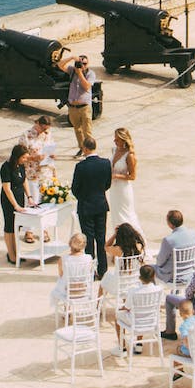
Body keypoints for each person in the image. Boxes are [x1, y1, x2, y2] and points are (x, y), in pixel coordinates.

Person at [69, 133, 113, 279]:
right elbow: (107, 184)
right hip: (100, 204)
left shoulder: (81, 166)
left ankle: (90, 270)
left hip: (86, 206)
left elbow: (75, 188)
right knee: (101, 238)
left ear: (85, 148)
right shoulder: (105, 163)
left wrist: (84, 197)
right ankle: (103, 269)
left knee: (88, 240)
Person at [112, 263, 161, 353]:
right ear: (153, 276)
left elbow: (127, 307)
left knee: (117, 317)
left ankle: (122, 348)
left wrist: (120, 308)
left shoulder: (133, 291)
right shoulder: (158, 289)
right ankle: (139, 344)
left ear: (140, 277)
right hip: (151, 321)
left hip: (136, 322)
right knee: (142, 313)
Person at [48, 232, 95, 315]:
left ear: (70, 244)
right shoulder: (89, 258)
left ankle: (67, 310)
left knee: (62, 283)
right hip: (84, 290)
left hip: (68, 291)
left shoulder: (63, 259)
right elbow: (90, 273)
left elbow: (61, 275)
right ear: (84, 245)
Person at [0, 143, 28, 265]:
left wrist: (29, 197)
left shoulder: (21, 166)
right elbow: (7, 189)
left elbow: (24, 181)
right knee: (10, 226)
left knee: (17, 226)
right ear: (17, 156)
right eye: (24, 157)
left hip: (20, 197)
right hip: (9, 200)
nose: (25, 160)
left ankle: (17, 251)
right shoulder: (6, 167)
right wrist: (15, 205)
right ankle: (11, 253)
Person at [101, 221, 147, 298]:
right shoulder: (139, 246)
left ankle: (98, 303)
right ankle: (125, 301)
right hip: (134, 282)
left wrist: (115, 234)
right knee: (114, 277)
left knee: (106, 277)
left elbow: (106, 247)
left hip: (120, 285)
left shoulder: (118, 250)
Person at [152, 209, 195, 284]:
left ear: (170, 224)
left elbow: (160, 262)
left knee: (147, 269)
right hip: (190, 273)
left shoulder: (168, 240)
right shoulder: (194, 234)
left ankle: (151, 290)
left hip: (173, 276)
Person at [109, 127, 140, 229]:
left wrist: (116, 176)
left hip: (123, 189)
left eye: (117, 139)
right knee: (115, 214)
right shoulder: (114, 150)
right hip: (113, 189)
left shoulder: (129, 155)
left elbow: (132, 176)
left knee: (125, 214)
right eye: (115, 138)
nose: (114, 141)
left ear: (123, 140)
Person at [66, 54, 96, 149]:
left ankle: (90, 150)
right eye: (81, 63)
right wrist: (71, 58)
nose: (83, 66)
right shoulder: (72, 71)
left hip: (84, 107)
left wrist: (80, 73)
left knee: (87, 131)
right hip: (73, 107)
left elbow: (87, 86)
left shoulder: (90, 74)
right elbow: (60, 65)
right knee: (77, 130)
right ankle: (82, 148)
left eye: (85, 64)